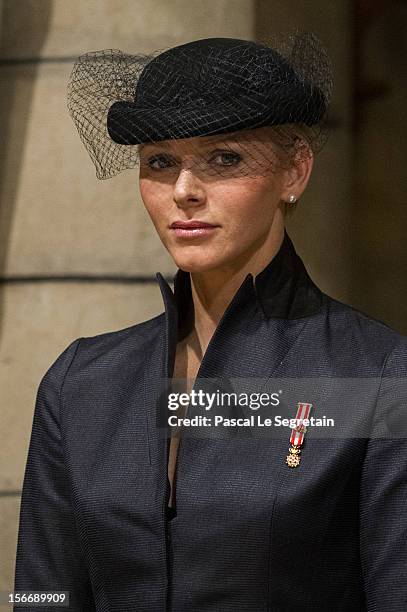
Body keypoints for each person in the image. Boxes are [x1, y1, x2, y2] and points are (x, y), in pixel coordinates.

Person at [14, 35, 407, 611]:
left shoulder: (375, 374)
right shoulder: (82, 382)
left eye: (225, 158)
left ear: (295, 170)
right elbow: (40, 596)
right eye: (160, 162)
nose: (183, 191)